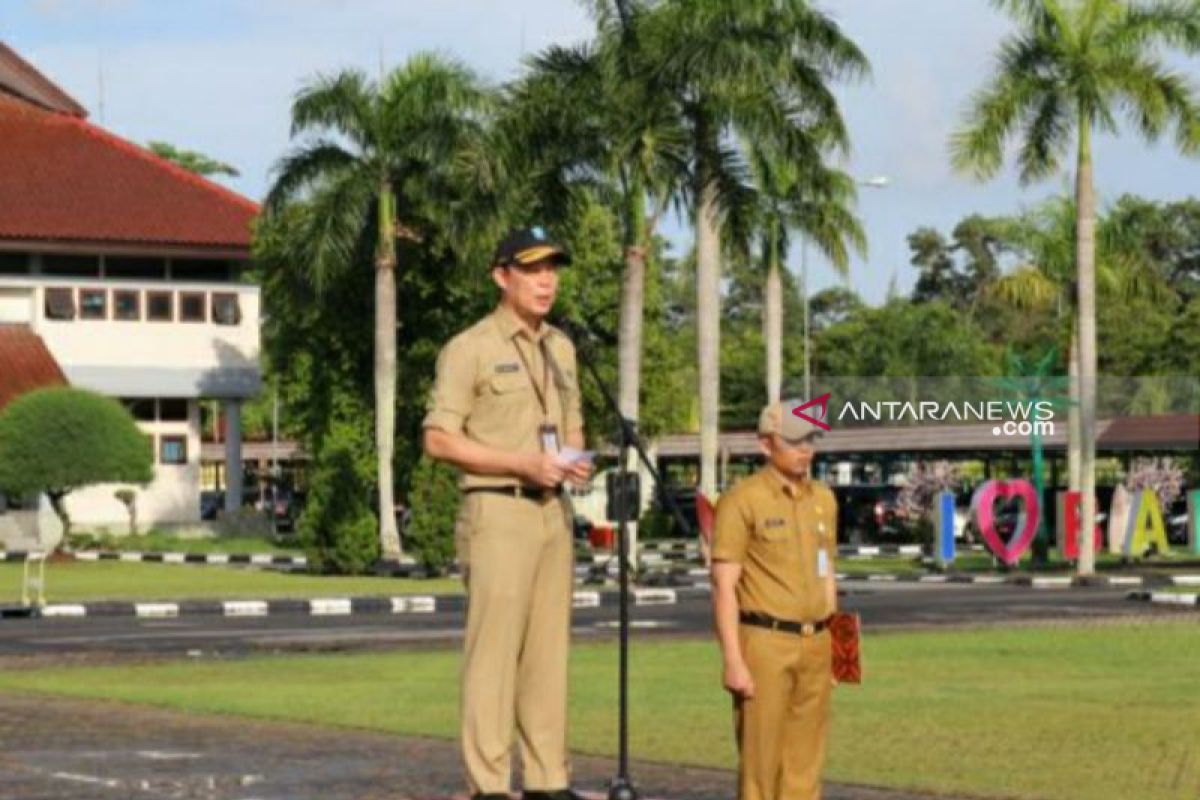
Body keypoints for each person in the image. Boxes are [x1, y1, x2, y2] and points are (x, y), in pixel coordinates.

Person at [423, 226, 593, 800]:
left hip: (552, 512)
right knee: (493, 657)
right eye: (532, 269)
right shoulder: (470, 347)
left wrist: (572, 457)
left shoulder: (562, 346)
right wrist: (520, 463)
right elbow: (439, 439)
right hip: (497, 509)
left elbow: (573, 421)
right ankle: (490, 784)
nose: (547, 281)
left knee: (548, 655)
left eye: (553, 269)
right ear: (502, 276)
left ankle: (548, 780)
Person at [710, 399, 840, 800]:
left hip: (816, 642)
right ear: (766, 445)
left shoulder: (824, 499)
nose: (805, 450)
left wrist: (837, 644)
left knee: (806, 763)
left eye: (811, 440)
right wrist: (733, 661)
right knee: (761, 766)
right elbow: (723, 584)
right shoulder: (743, 500)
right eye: (794, 441)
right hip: (765, 642)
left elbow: (827, 572)